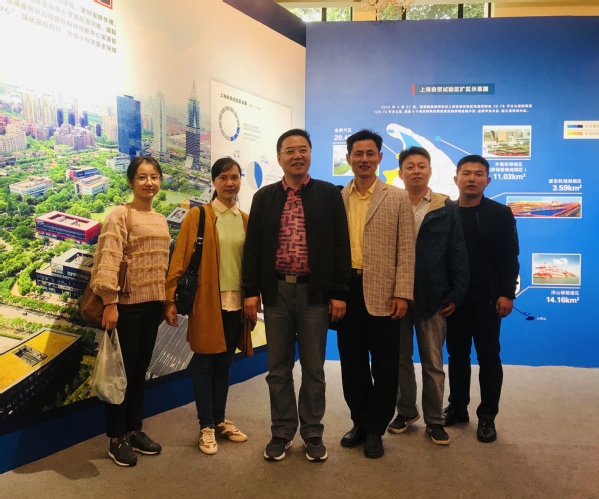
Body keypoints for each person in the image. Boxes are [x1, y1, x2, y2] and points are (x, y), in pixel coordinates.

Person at [242, 129, 351, 462]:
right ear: (279, 158)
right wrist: (250, 291)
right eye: (289, 150)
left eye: (303, 149)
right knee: (278, 369)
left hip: (314, 294)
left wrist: (339, 292)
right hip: (276, 293)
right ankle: (282, 431)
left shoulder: (329, 195)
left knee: (314, 369)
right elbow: (253, 248)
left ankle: (313, 433)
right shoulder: (264, 197)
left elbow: (341, 246)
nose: (297, 155)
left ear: (310, 154)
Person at [164, 158, 253, 456]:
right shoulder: (198, 216)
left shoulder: (245, 219)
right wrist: (169, 298)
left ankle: (219, 419)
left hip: (236, 302)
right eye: (223, 177)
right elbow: (179, 259)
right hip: (206, 301)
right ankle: (206, 425)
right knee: (204, 365)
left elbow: (251, 264)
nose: (230, 183)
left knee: (224, 364)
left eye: (235, 177)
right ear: (214, 182)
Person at [337, 129, 415, 459]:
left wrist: (403, 293)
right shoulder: (338, 197)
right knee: (352, 364)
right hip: (347, 291)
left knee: (385, 366)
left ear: (380, 158)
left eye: (370, 153)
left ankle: (375, 429)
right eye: (358, 153)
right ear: (348, 158)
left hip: (385, 292)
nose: (364, 159)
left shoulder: (397, 197)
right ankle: (359, 421)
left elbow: (407, 250)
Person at [90, 156, 170, 467]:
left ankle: (133, 429)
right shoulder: (120, 215)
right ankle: (116, 438)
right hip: (125, 306)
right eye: (142, 177)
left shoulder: (160, 219)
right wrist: (110, 302)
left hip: (151, 306)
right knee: (119, 374)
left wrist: (165, 302)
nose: (149, 182)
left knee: (139, 372)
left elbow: (160, 265)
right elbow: (108, 258)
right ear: (130, 181)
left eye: (154, 176)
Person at [387, 146, 469, 446]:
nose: (416, 171)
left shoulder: (445, 206)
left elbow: (458, 252)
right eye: (410, 167)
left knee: (433, 362)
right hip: (397, 295)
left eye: (422, 166)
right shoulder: (392, 202)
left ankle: (435, 419)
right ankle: (406, 411)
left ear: (430, 171)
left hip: (434, 296)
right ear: (401, 173)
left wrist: (456, 293)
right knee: (400, 359)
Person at [443, 154, 519, 443]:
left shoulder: (500, 213)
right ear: (456, 179)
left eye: (478, 174)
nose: (471, 179)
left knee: (488, 357)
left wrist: (506, 293)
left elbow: (510, 256)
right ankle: (458, 407)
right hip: (455, 299)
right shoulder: (445, 211)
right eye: (466, 173)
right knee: (457, 355)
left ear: (488, 180)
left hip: (488, 298)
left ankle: (487, 416)